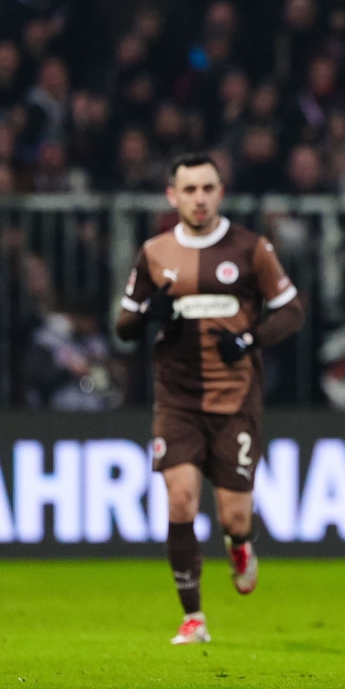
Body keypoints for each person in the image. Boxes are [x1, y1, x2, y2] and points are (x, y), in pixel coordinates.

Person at [115, 152, 305, 644]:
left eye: (207, 189)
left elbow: (292, 312)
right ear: (172, 196)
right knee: (179, 501)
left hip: (235, 399)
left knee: (233, 515)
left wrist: (249, 339)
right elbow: (124, 325)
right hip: (176, 400)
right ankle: (193, 617)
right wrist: (151, 313)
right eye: (189, 190)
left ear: (220, 193)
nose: (198, 199)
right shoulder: (155, 252)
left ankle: (239, 544)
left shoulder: (250, 248)